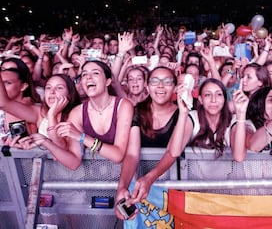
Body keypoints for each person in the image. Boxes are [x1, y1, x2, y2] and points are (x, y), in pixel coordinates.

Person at [116, 77, 249, 221]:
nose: (213, 100)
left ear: (224, 99)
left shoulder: (234, 121)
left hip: (226, 194)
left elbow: (239, 156)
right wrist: (183, 113)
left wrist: (241, 114)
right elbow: (174, 151)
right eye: (207, 95)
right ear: (201, 99)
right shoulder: (193, 118)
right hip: (195, 194)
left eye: (218, 94)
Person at [28, 60, 133, 170]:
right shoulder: (77, 113)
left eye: (95, 73)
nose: (88, 77)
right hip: (94, 177)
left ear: (107, 81)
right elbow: (74, 163)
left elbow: (117, 155)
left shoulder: (123, 106)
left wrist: (81, 137)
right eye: (84, 74)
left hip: (124, 175)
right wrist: (46, 141)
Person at [115, 66, 187, 220]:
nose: (160, 86)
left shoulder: (185, 112)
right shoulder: (136, 111)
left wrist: (149, 178)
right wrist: (122, 187)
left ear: (175, 87)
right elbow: (132, 154)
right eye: (155, 81)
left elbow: (172, 152)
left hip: (174, 189)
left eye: (167, 81)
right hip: (140, 190)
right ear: (147, 86)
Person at [4, 74, 81, 150]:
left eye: (59, 88)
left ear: (70, 94)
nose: (52, 92)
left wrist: (52, 115)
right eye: (48, 88)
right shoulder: (39, 112)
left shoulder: (77, 114)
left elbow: (62, 148)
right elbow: (4, 104)